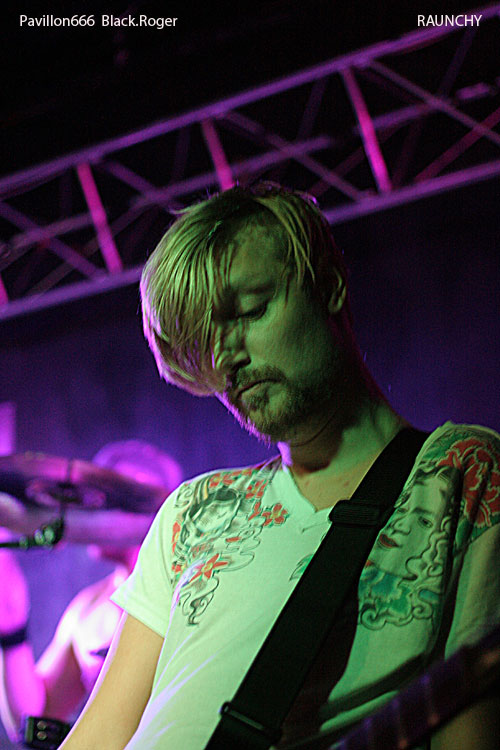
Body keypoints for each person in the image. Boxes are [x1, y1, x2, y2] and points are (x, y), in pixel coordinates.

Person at [59, 183, 500, 750]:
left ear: (329, 285)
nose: (226, 356)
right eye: (205, 340)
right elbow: (98, 735)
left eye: (251, 310)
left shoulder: (460, 470)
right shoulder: (193, 510)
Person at [0, 440, 182, 746]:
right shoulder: (88, 607)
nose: (91, 508)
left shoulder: (188, 588)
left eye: (113, 495)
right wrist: (10, 625)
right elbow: (38, 718)